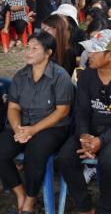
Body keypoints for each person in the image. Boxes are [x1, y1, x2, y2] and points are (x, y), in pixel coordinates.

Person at [56, 30, 111, 214]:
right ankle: (85, 207)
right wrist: (84, 136)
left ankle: (106, 209)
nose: (89, 55)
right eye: (89, 50)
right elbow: (81, 111)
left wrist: (101, 141)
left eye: (94, 51)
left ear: (110, 55)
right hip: (91, 129)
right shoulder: (86, 76)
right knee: (64, 158)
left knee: (108, 162)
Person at [0, 32, 74, 213]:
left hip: (52, 127)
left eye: (35, 48)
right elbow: (13, 107)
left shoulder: (60, 76)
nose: (29, 52)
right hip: (24, 124)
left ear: (48, 53)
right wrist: (18, 129)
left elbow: (62, 111)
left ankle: (31, 200)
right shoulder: (21, 75)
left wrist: (32, 130)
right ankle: (20, 193)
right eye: (28, 47)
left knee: (35, 153)